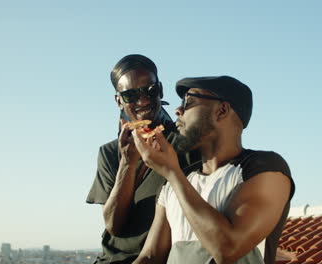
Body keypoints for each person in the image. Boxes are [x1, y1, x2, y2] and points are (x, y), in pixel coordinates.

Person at [131, 76, 295, 264]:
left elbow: (227, 249)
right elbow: (150, 257)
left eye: (188, 102)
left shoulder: (264, 168)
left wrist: (172, 173)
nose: (178, 110)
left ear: (221, 110)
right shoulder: (174, 184)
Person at [86, 55, 200, 264]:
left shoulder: (186, 143)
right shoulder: (110, 153)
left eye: (151, 91)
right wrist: (127, 164)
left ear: (161, 90)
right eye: (131, 95)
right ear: (118, 100)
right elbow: (113, 225)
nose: (143, 101)